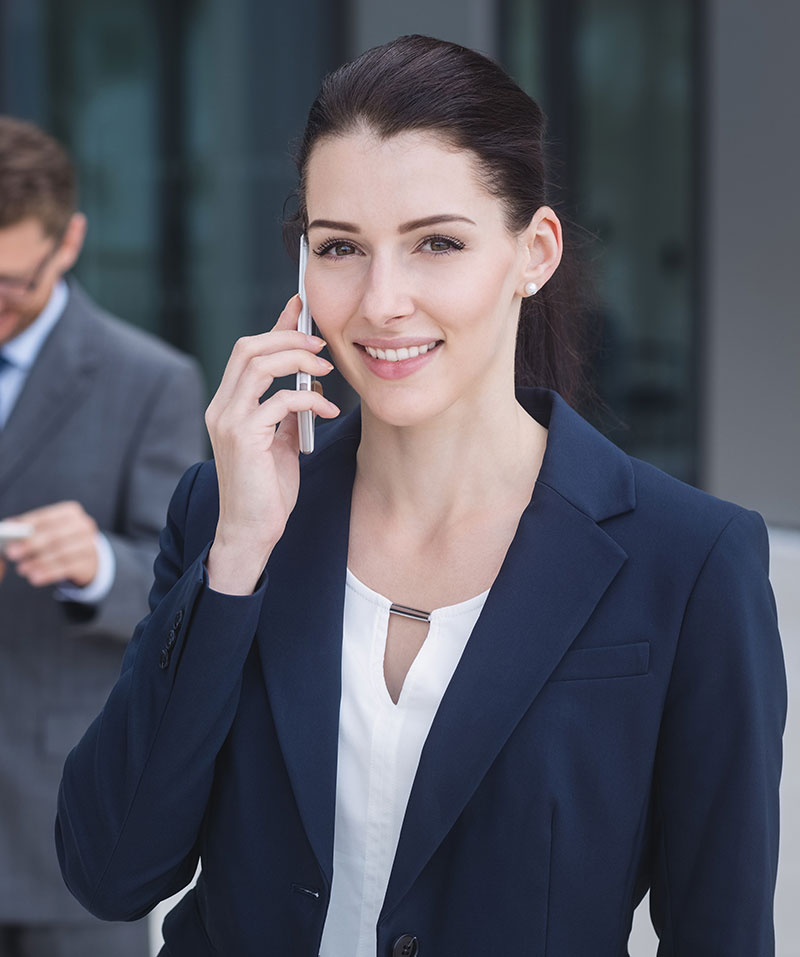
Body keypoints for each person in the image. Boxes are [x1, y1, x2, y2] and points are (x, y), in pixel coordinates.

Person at [55, 36, 786, 957]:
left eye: (436, 242)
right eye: (340, 248)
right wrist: (237, 557)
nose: (381, 300)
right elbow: (111, 870)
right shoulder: (227, 513)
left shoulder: (689, 561)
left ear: (535, 251)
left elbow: (720, 935)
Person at [0, 116, 207, 956]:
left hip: (52, 817)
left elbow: (186, 592)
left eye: (10, 281)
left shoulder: (150, 381)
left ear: (70, 241)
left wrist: (96, 566)